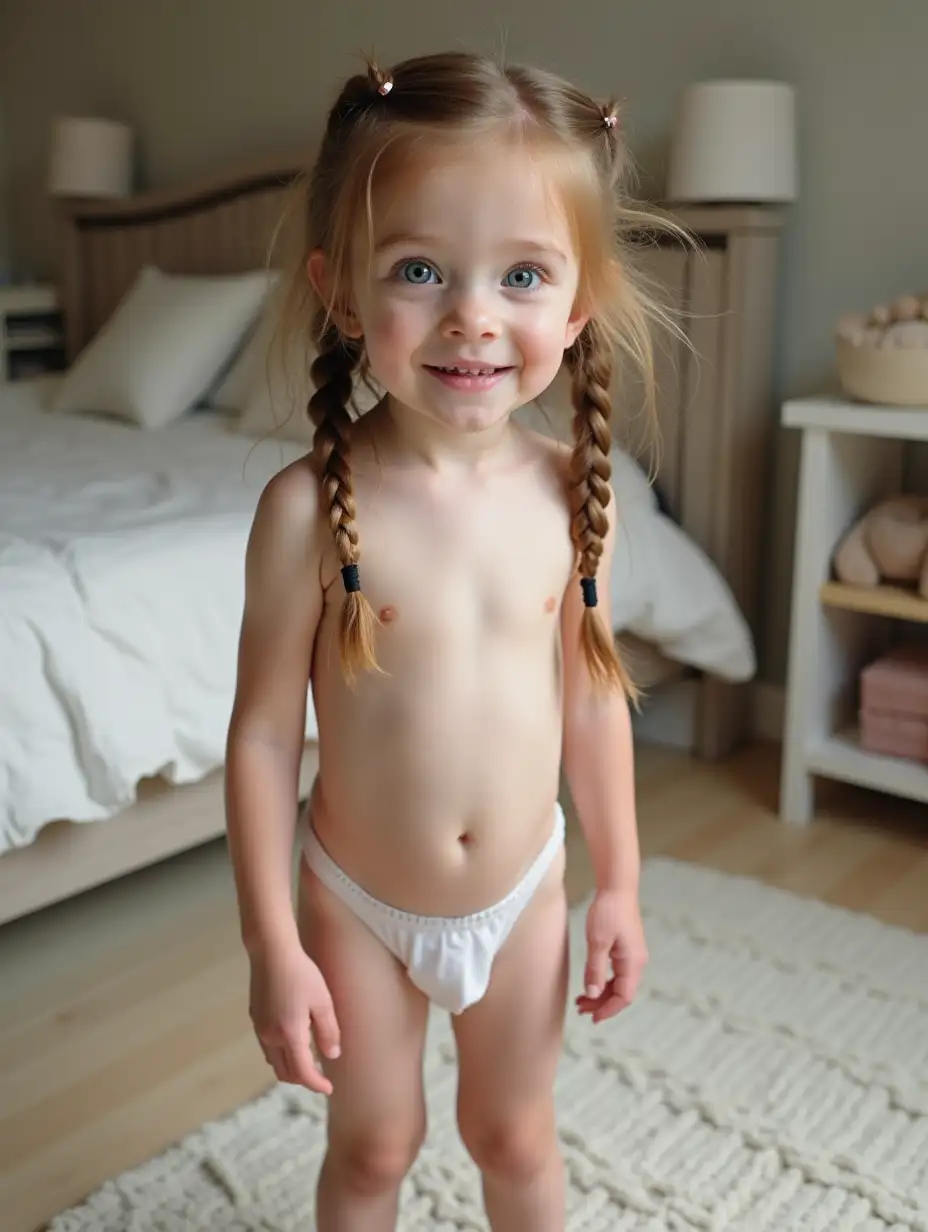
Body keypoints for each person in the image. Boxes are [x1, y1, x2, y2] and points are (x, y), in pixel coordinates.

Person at [225, 49, 674, 1232]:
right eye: (419, 268)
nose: (473, 313)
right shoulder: (306, 511)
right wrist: (273, 943)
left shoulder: (578, 493)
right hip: (356, 900)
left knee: (513, 1134)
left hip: (522, 894)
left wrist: (619, 879)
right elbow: (266, 740)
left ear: (575, 304)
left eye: (522, 273)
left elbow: (588, 700)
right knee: (375, 1145)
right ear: (341, 290)